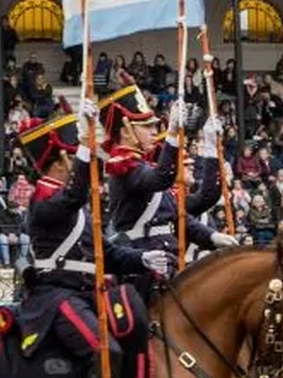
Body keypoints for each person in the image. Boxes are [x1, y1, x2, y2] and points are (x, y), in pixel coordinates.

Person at [18, 106, 170, 378]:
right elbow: (70, 199)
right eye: (73, 155)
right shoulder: (43, 199)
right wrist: (87, 145)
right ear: (61, 159)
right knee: (106, 351)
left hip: (86, 294)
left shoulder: (78, 205)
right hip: (57, 297)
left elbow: (108, 252)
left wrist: (142, 259)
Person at [100, 78, 235, 265]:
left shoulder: (145, 168)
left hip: (169, 258)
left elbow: (184, 215)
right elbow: (161, 178)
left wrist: (212, 237)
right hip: (142, 261)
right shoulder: (124, 167)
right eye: (147, 126)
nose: (154, 131)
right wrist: (172, 134)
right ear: (125, 131)